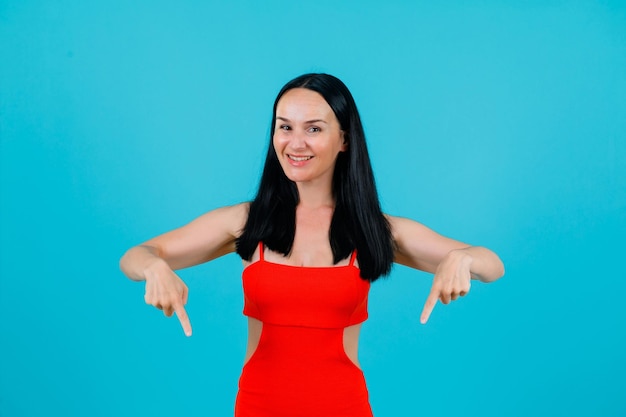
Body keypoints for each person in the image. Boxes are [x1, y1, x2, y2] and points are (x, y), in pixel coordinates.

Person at [120, 73, 505, 417]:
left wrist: (461, 257)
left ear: (344, 140)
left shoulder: (373, 230)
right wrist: (155, 268)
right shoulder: (246, 222)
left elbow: (492, 265)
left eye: (314, 129)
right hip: (257, 408)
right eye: (284, 127)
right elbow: (136, 256)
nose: (295, 142)